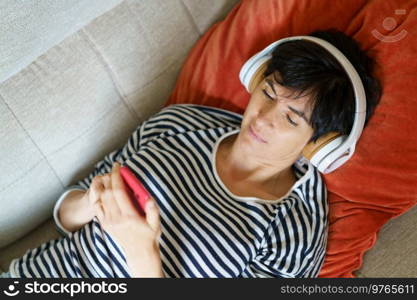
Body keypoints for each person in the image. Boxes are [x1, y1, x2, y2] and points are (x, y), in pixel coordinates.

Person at [1, 29, 381, 278]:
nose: (263, 118)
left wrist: (143, 256)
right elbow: (64, 217)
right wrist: (91, 203)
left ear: (320, 144)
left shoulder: (293, 232)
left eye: (291, 118)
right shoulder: (179, 124)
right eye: (267, 92)